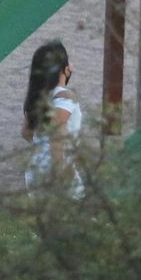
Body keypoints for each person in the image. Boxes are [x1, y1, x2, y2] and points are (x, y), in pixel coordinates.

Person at [21, 41, 84, 199]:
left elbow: (26, 133)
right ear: (64, 68)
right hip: (57, 169)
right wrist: (59, 172)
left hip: (35, 171)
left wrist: (42, 144)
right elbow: (57, 137)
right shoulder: (65, 97)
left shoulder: (39, 97)